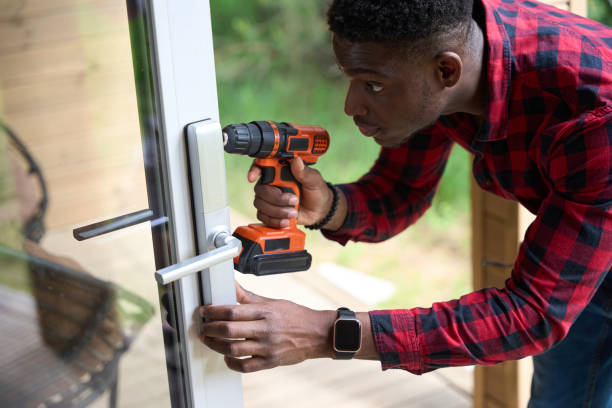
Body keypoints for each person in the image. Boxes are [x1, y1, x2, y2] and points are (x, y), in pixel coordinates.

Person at [199, 0, 612, 406]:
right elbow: (398, 191)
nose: (350, 107)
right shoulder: (447, 42)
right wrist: (327, 205)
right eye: (350, 78)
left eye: (373, 85)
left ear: (447, 69)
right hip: (586, 254)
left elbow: (529, 315)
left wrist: (325, 332)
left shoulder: (593, 117)